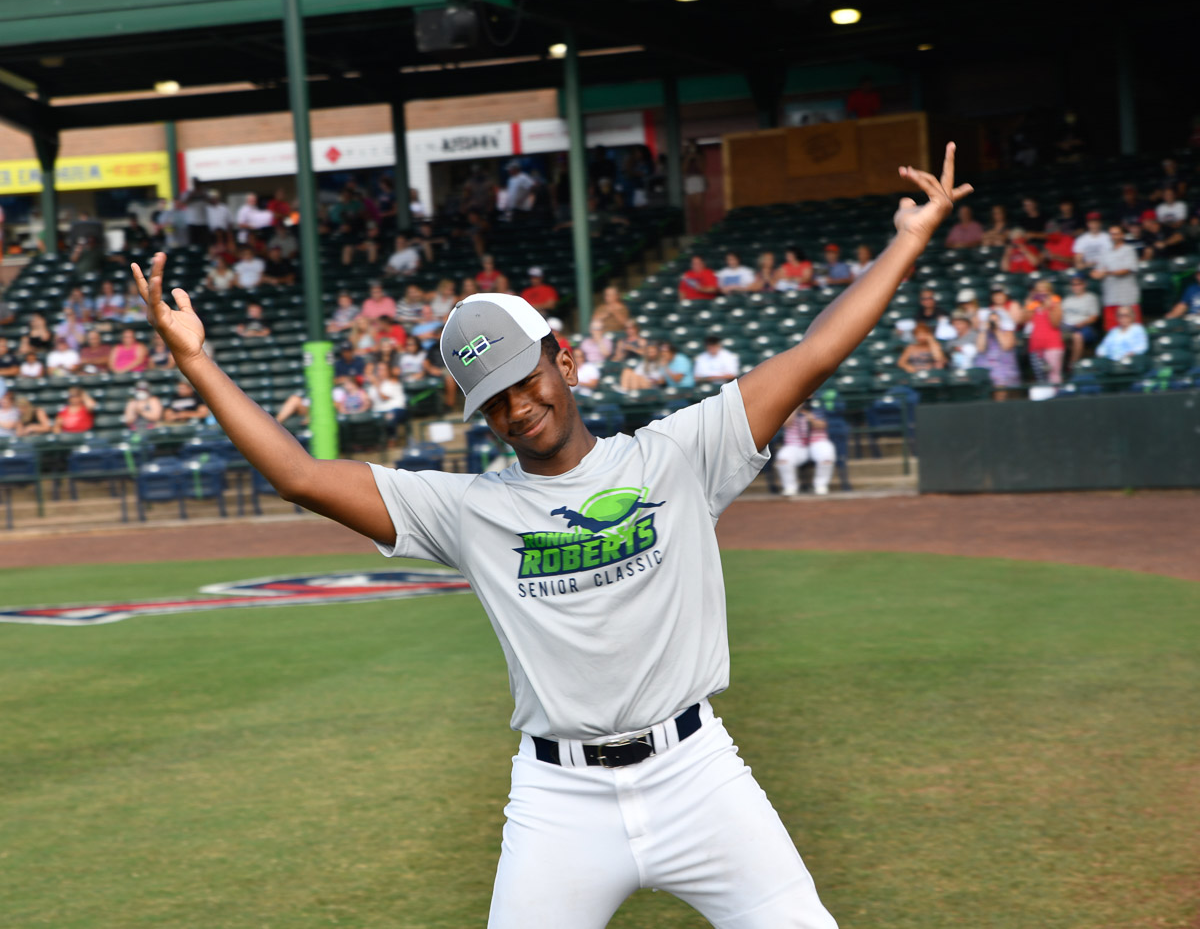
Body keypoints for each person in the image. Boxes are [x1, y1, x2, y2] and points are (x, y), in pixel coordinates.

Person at [131, 142, 971, 929]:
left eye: (524, 378)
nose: (516, 407)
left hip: (698, 775)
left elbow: (817, 353)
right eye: (492, 400)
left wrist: (908, 238)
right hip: (560, 800)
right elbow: (300, 476)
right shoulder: (469, 509)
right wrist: (197, 361)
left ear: (564, 363)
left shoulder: (676, 455)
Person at [774, 405, 837, 497]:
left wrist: (811, 418)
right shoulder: (788, 408)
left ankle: (821, 485)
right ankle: (790, 487)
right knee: (783, 459)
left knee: (826, 457)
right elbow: (786, 424)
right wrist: (795, 408)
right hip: (795, 445)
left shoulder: (817, 407)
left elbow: (823, 425)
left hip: (817, 442)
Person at [1091, 226, 1140, 329]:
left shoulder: (1129, 250)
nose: (1114, 236)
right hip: (1110, 298)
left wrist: (1107, 272)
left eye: (1117, 233)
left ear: (1122, 235)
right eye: (1112, 234)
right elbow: (1096, 272)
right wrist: (1095, 274)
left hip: (1127, 298)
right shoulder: (1105, 252)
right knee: (1112, 331)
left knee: (1132, 330)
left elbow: (1127, 270)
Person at [974, 288, 1020, 399]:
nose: (993, 322)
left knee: (1000, 386)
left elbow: (1007, 346)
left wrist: (997, 329)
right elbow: (980, 348)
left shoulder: (1007, 331)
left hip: (1004, 368)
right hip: (986, 367)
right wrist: (984, 330)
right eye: (991, 320)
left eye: (995, 320)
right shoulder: (983, 332)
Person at [1023, 280, 1064, 386]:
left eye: (1044, 290)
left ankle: (1056, 396)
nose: (1041, 293)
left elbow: (1055, 323)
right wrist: (1029, 305)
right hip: (1035, 347)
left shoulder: (1055, 302)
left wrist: (1049, 307)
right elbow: (1024, 320)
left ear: (1050, 292)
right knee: (1040, 378)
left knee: (1053, 377)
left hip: (1052, 346)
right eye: (1038, 291)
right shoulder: (1033, 304)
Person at [1061, 273, 1102, 367]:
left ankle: (1073, 366)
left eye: (1078, 284)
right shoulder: (1067, 299)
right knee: (1055, 336)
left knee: (1077, 336)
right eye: (1073, 284)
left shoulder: (1091, 297)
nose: (1076, 287)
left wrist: (1081, 323)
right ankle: (1060, 366)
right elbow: (1061, 316)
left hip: (1084, 327)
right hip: (1067, 327)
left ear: (1084, 284)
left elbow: (1094, 317)